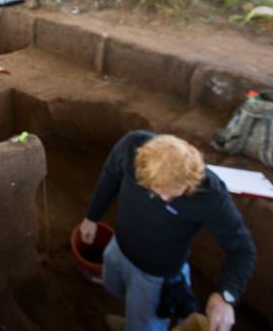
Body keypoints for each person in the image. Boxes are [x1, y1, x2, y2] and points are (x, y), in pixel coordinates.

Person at [79, 131, 256, 331]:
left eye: (172, 193)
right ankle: (131, 320)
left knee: (145, 322)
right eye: (157, 189)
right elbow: (111, 174)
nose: (163, 198)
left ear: (190, 180)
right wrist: (91, 217)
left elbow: (242, 249)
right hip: (118, 247)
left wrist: (226, 296)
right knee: (116, 287)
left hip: (154, 274)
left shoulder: (210, 195)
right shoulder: (132, 147)